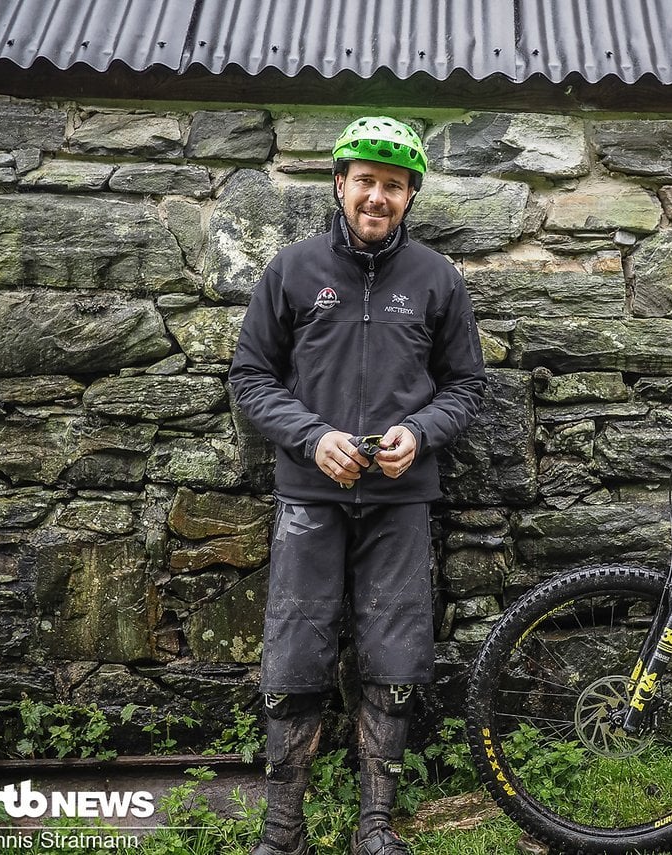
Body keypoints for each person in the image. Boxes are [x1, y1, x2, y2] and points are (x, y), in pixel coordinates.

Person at [229, 116, 487, 855]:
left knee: (395, 653)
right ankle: (284, 833)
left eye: (395, 186)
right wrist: (313, 436)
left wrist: (423, 432)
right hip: (309, 496)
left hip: (401, 501)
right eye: (366, 181)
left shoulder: (438, 280)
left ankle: (375, 823)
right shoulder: (291, 271)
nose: (379, 197)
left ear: (411, 195)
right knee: (293, 654)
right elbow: (250, 376)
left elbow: (467, 386)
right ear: (339, 183)